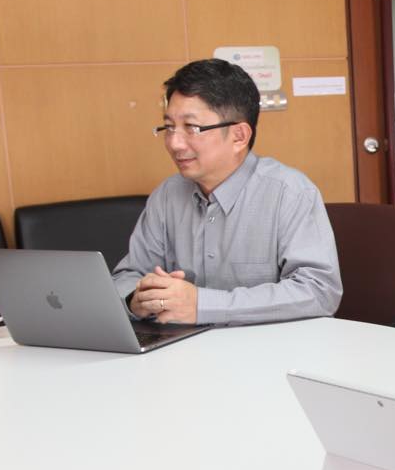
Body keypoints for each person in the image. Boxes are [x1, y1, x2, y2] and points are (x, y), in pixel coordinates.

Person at [113, 58, 342, 325]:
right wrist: (137, 299)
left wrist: (203, 305)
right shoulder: (166, 196)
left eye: (191, 128)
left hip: (268, 347)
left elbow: (319, 291)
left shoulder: (290, 193)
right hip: (182, 346)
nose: (174, 143)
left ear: (239, 136)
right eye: (169, 127)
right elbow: (128, 276)